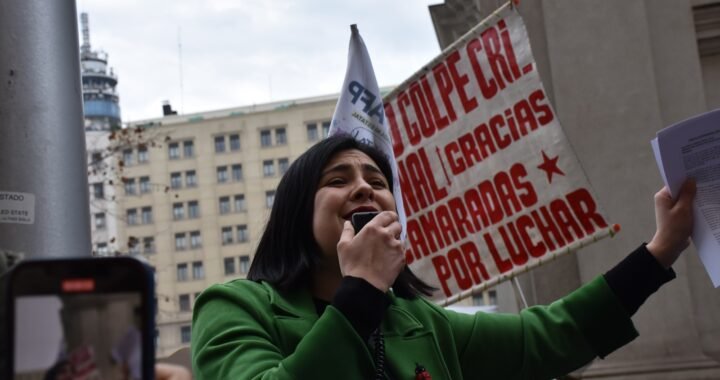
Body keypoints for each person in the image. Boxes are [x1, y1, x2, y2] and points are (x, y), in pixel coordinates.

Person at [191, 135, 695, 379]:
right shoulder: (235, 308)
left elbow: (554, 334)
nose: (364, 187)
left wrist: (660, 251)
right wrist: (361, 291)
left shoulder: (422, 323)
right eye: (338, 180)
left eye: (377, 182)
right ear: (296, 215)